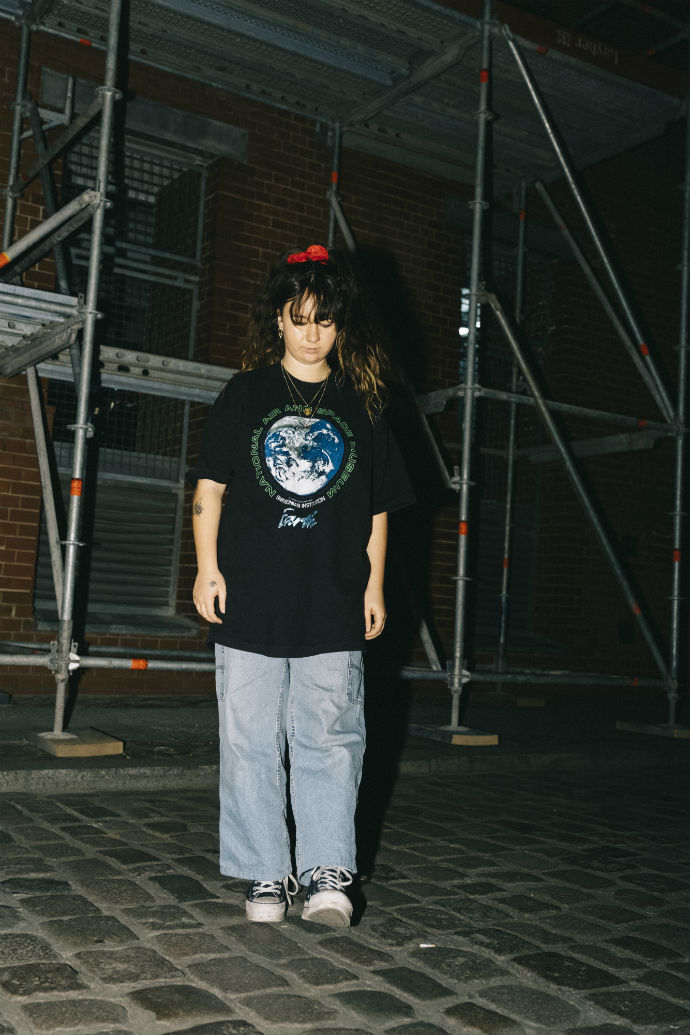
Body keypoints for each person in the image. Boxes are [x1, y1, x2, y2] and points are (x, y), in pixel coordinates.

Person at [188, 244, 414, 927]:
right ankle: (265, 870)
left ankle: (326, 872)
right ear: (279, 321)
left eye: (325, 320)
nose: (312, 333)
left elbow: (377, 509)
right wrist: (206, 567)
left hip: (333, 596)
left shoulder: (363, 404)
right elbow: (209, 489)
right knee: (249, 737)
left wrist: (374, 587)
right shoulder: (246, 393)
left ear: (341, 325)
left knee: (331, 735)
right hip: (251, 593)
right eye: (300, 318)